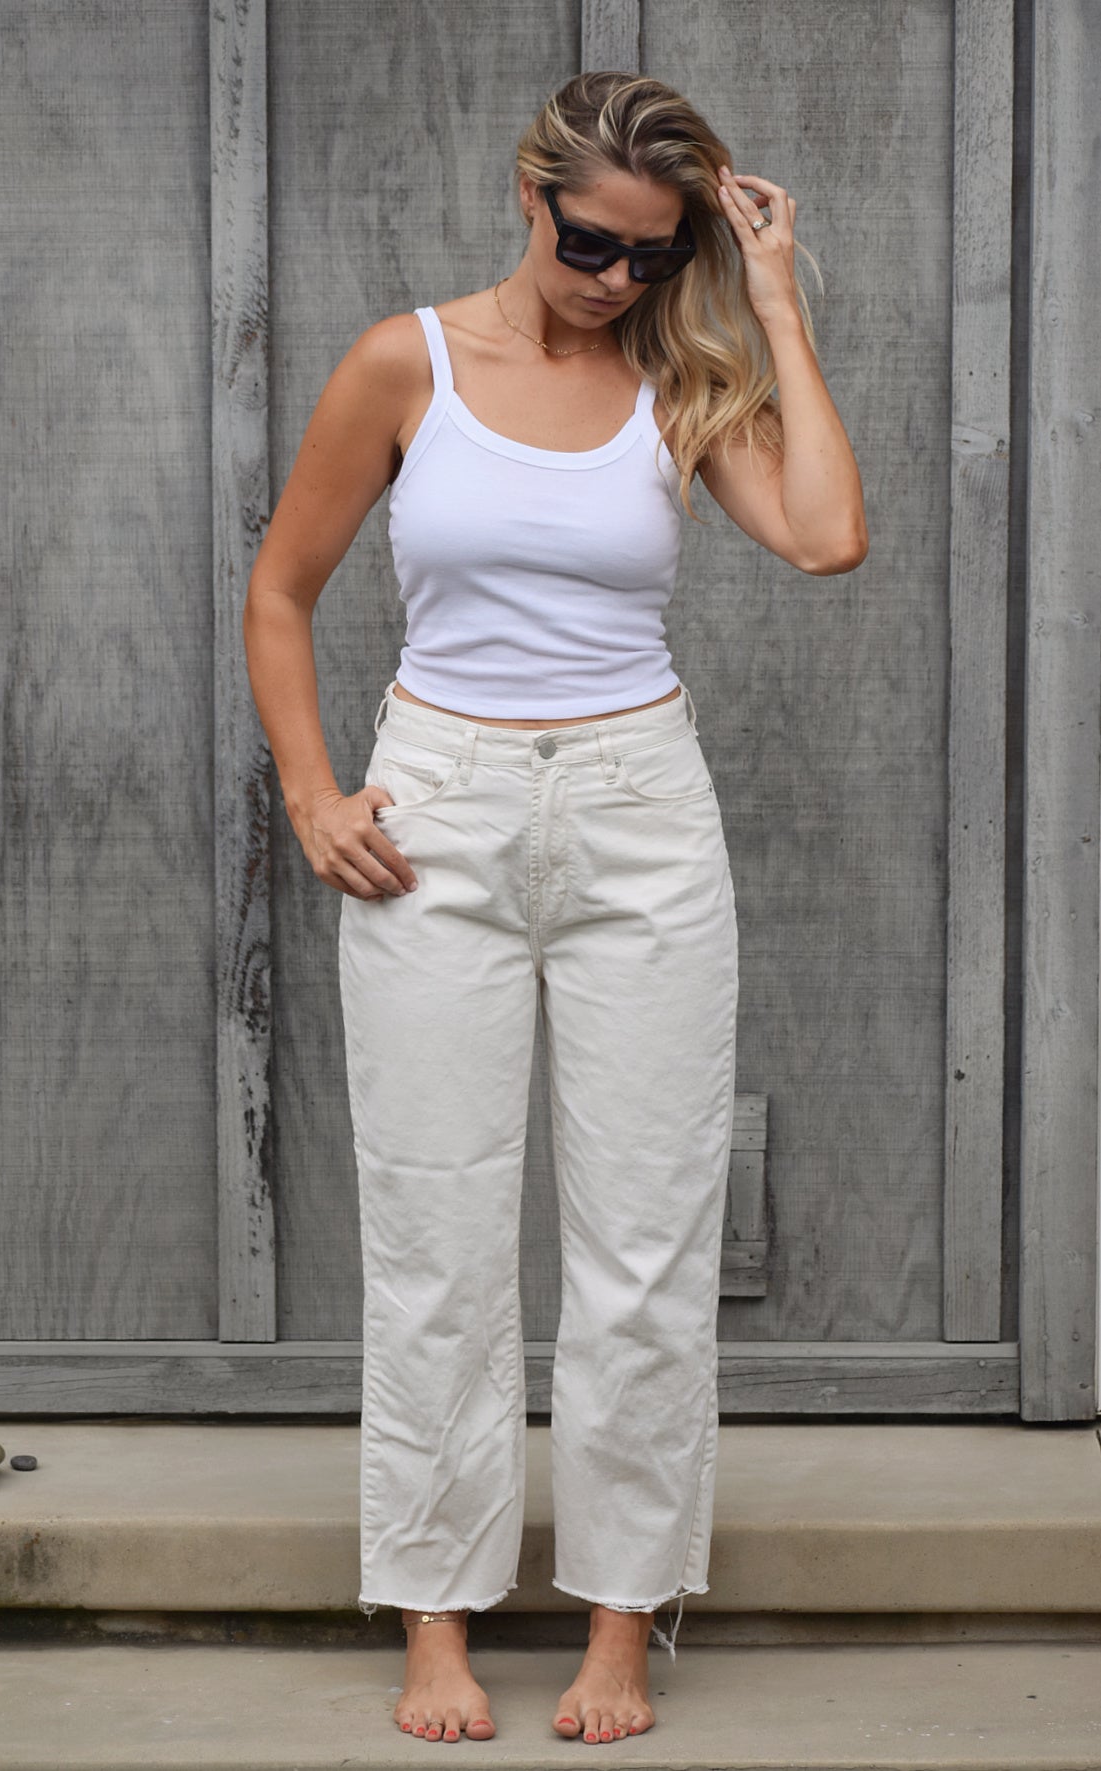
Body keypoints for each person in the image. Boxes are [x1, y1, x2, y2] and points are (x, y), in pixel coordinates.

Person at [245, 69, 866, 1750]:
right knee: (435, 1235)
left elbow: (824, 538)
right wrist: (315, 792)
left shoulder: (681, 371)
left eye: (652, 257)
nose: (613, 280)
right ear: (530, 200)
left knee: (644, 1248)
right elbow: (282, 591)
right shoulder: (407, 361)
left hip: (636, 817)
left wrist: (774, 301)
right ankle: (435, 1622)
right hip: (436, 807)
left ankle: (618, 1624)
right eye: (591, 243)